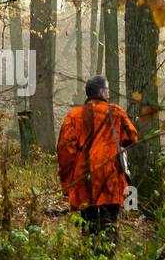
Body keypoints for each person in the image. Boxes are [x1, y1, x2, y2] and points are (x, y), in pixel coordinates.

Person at [57, 75, 138, 249]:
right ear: (101, 91)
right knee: (110, 222)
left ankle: (91, 259)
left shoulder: (73, 116)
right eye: (107, 89)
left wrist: (67, 181)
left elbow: (65, 151)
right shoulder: (116, 112)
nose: (109, 93)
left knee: (89, 224)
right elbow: (132, 137)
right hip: (110, 177)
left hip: (85, 179)